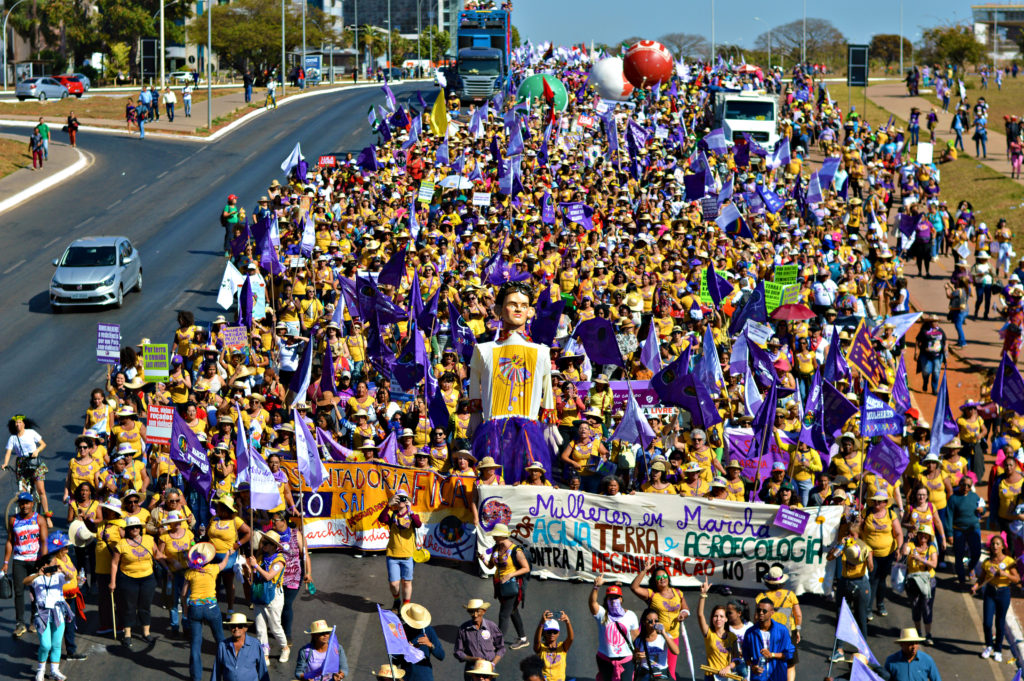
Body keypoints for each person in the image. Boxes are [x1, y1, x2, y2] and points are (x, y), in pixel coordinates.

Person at [468, 281, 560, 478]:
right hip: (492, 428)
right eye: (512, 303)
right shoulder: (483, 350)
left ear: (531, 312)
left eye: (524, 305)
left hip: (528, 430)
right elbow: (474, 390)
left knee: (529, 482)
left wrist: (550, 425)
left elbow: (547, 390)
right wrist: (474, 419)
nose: (518, 308)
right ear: (499, 309)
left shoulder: (542, 352)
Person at [110, 515, 163, 649]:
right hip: (128, 579)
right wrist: (112, 582)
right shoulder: (121, 544)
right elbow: (114, 563)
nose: (134, 529)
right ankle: (127, 634)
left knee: (145, 606)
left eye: (136, 527)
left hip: (147, 578)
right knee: (128, 606)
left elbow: (157, 555)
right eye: (131, 527)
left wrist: (171, 563)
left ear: (140, 528)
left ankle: (146, 632)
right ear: (127, 529)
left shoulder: (149, 539)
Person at [630, 559, 689, 679]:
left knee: (669, 672)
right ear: (654, 582)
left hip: (671, 637)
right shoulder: (652, 594)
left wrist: (683, 613)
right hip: (654, 637)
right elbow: (634, 587)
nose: (662, 579)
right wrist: (644, 570)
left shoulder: (678, 593)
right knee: (648, 670)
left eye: (664, 576)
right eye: (658, 578)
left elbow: (686, 609)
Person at [24, 544, 73, 681]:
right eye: (54, 564)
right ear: (45, 565)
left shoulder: (59, 576)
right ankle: (40, 670)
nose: (56, 565)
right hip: (42, 614)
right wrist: (37, 574)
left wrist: (63, 570)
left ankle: (54, 671)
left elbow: (69, 577)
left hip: (58, 612)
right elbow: (25, 582)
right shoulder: (37, 577)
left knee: (56, 644)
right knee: (46, 645)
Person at [4, 490, 49, 637]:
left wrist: (43, 562)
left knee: (36, 591)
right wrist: (5, 562)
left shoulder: (39, 519)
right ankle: (20, 624)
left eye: (27, 503)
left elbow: (43, 542)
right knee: (18, 592)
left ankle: (34, 620)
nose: (24, 506)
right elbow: (10, 541)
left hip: (35, 560)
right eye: (22, 503)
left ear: (32, 504)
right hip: (19, 561)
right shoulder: (13, 520)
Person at [182, 542, 228, 681]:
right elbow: (224, 564)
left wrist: (185, 609)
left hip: (194, 608)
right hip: (211, 608)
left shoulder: (189, 572)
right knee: (220, 640)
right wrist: (227, 554)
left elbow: (183, 594)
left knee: (196, 643)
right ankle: (227, 669)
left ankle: (196, 677)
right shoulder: (213, 569)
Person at [971, 534, 1019, 661]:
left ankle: (998, 650)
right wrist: (976, 586)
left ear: (1003, 546)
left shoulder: (1009, 561)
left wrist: (1005, 574)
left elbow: (1017, 579)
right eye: (993, 544)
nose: (995, 546)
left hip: (1003, 593)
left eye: (998, 544)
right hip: (990, 592)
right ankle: (988, 646)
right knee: (987, 622)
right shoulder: (987, 563)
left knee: (1000, 622)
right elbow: (981, 579)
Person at [485, 523, 531, 650]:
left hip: (510, 587)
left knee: (503, 615)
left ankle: (497, 644)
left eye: (495, 535)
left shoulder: (516, 551)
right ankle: (523, 638)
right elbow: (490, 566)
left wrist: (511, 575)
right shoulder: (496, 548)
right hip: (499, 586)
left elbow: (525, 568)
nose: (493, 537)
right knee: (512, 611)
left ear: (501, 536)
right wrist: (483, 559)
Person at [246, 529, 289, 664]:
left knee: (275, 625)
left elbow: (269, 576)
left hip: (274, 595)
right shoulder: (259, 557)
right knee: (260, 627)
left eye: (266, 543)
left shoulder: (279, 560)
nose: (263, 545)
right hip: (259, 593)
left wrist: (256, 567)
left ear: (274, 546)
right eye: (263, 542)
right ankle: (264, 653)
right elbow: (252, 576)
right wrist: (247, 568)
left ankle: (285, 647)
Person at [588, 576, 639, 681]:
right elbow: (592, 603)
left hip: (627, 659)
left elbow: (635, 637)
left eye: (616, 597)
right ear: (606, 600)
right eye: (610, 598)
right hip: (605, 658)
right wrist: (596, 587)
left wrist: (639, 653)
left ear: (621, 599)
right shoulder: (602, 614)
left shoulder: (631, 615)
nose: (613, 600)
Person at [754, 567, 801, 681]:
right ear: (782, 582)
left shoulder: (761, 597)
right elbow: (798, 615)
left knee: (770, 661)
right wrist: (798, 630)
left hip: (769, 634)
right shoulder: (790, 595)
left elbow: (756, 618)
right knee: (790, 664)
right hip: (789, 633)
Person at [379, 488, 422, 611]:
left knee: (407, 582)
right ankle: (397, 600)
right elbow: (381, 519)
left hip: (408, 555)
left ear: (407, 500)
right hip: (392, 555)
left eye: (404, 499)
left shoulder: (412, 516)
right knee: (394, 583)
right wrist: (388, 505)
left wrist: (410, 510)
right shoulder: (392, 516)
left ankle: (405, 606)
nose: (401, 501)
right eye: (399, 499)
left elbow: (418, 524)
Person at [4, 414, 52, 523]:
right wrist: (5, 464)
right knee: (23, 493)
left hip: (34, 463)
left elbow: (43, 444)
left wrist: (37, 451)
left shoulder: (31, 433)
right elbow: (8, 453)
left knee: (41, 491)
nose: (18, 424)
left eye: (20, 422)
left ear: (24, 424)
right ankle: (25, 517)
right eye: (16, 423)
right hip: (22, 465)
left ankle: (47, 516)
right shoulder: (12, 438)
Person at [901, 523, 938, 646]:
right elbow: (904, 552)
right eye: (921, 535)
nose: (923, 537)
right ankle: (918, 633)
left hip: (928, 582)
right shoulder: (911, 545)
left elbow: (934, 564)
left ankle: (928, 634)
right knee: (915, 607)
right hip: (913, 581)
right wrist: (908, 539)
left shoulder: (931, 548)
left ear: (929, 537)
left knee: (927, 608)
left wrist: (920, 559)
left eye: (925, 536)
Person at [696, 578, 740, 681]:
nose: (718, 619)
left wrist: (728, 667)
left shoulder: (732, 637)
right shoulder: (709, 633)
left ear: (726, 619)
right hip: (711, 676)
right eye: (715, 616)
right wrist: (703, 595)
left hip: (727, 677)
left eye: (721, 616)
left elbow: (737, 659)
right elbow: (700, 614)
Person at [741, 600, 794, 681]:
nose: (761, 613)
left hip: (778, 676)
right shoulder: (750, 632)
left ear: (772, 613)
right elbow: (746, 655)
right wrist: (752, 666)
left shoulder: (782, 630)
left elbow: (789, 654)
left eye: (764, 611)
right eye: (758, 610)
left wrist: (771, 655)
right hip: (758, 677)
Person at [454, 599, 505, 681]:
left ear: (484, 611)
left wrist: (493, 663)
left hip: (489, 668)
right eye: (471, 612)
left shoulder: (491, 626)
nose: (475, 615)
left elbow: (501, 648)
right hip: (472, 668)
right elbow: (458, 652)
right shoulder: (463, 629)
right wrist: (472, 659)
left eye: (478, 611)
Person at [947, 474, 983, 586]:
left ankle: (971, 567)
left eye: (968, 485)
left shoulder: (975, 496)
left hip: (973, 529)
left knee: (976, 552)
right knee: (959, 554)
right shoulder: (953, 498)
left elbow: (982, 507)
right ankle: (961, 577)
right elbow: (949, 516)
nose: (966, 487)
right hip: (959, 530)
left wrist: (982, 509)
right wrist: (949, 534)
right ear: (959, 484)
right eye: (964, 484)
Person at [212, 613, 270, 681]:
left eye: (240, 626)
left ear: (246, 628)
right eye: (233, 626)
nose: (236, 628)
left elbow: (262, 670)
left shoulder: (255, 645)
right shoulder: (223, 646)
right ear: (230, 628)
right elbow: (216, 672)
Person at [399, 602, 444, 681]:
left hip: (425, 678)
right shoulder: (401, 631)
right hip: (407, 677)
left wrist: (430, 644)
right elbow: (394, 660)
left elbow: (441, 655)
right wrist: (407, 650)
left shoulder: (428, 630)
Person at [633, 606, 679, 681]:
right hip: (646, 672)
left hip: (662, 672)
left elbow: (676, 651)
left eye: (656, 620)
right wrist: (637, 656)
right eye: (650, 621)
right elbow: (635, 659)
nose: (654, 623)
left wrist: (664, 633)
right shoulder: (639, 640)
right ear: (644, 622)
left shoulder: (664, 636)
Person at [532, 610, 573, 681]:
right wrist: (541, 623)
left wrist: (568, 622)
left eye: (555, 631)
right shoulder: (541, 648)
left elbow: (571, 638)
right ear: (544, 633)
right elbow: (536, 641)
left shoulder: (562, 647)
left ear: (558, 633)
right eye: (549, 631)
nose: (552, 634)